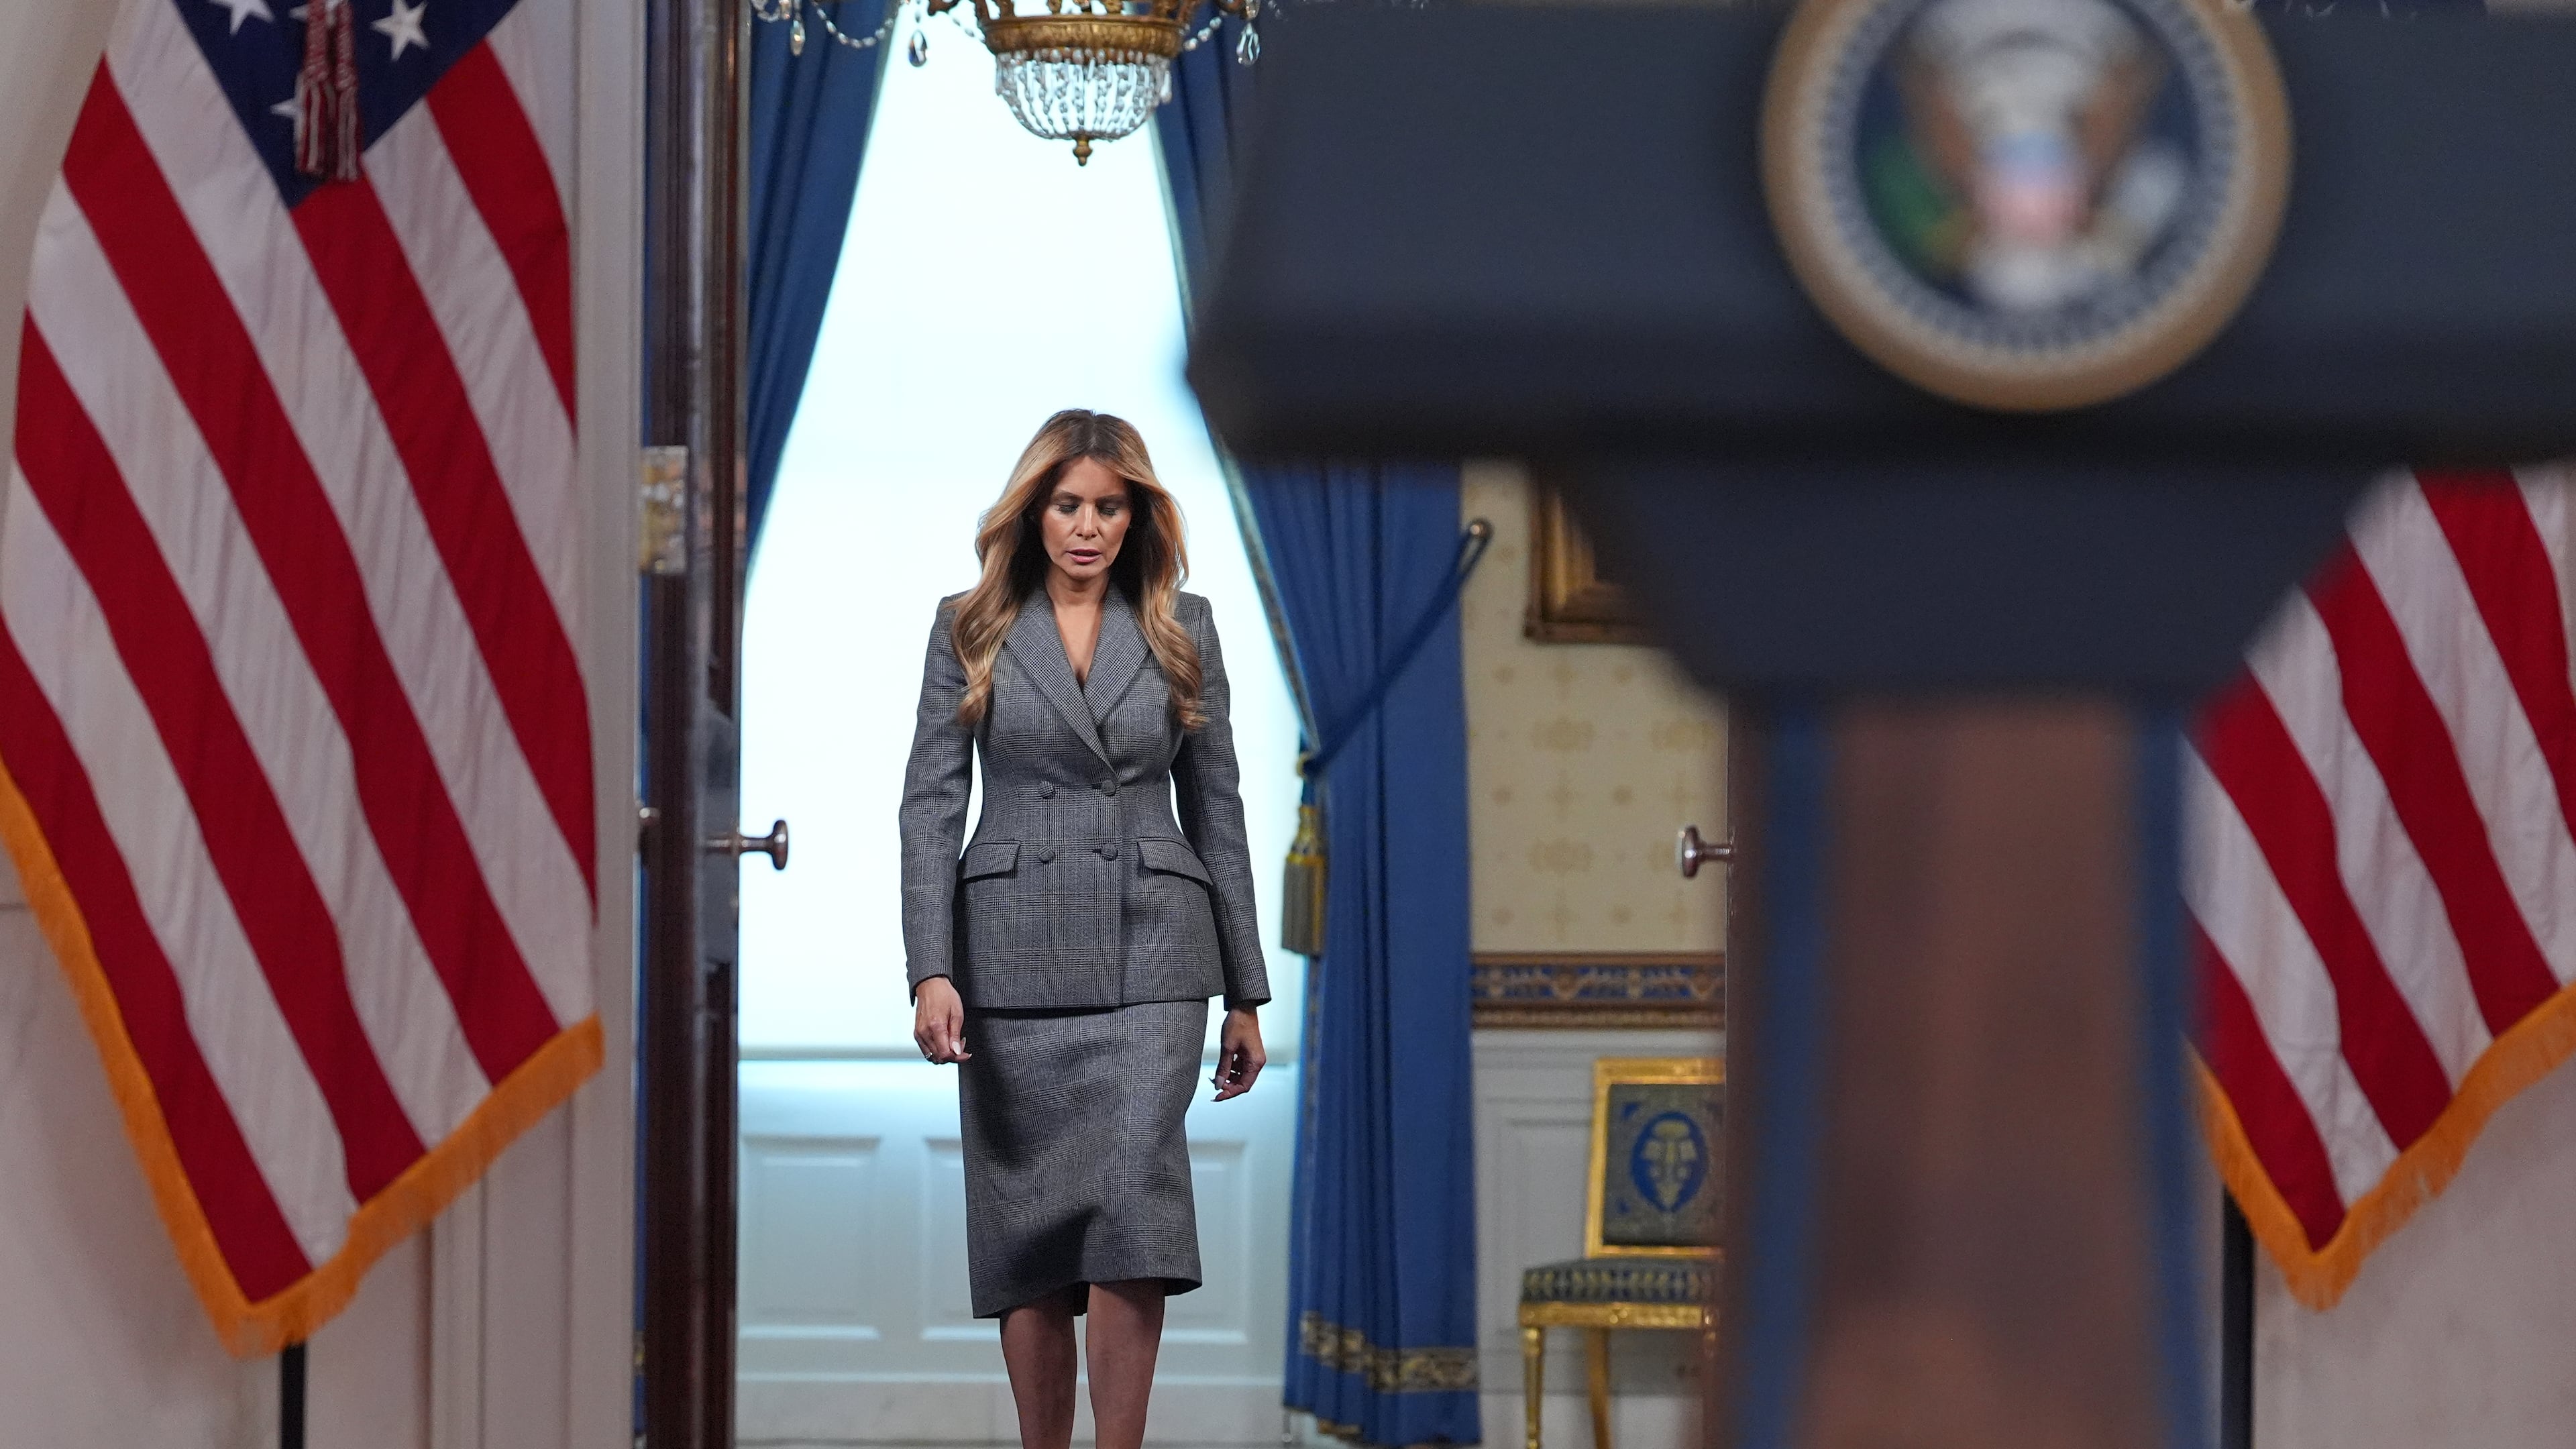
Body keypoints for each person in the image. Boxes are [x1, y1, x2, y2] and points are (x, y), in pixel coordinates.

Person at [899, 409, 1269, 1449]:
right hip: (1006, 954)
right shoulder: (968, 623)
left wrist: (1246, 989)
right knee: (1030, 1228)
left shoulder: (1181, 625)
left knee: (1130, 1210)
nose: (1088, 527)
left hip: (1155, 947)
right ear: (1034, 510)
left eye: (1110, 507)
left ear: (1136, 516)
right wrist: (931, 970)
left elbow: (1220, 810)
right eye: (1068, 504)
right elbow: (929, 804)